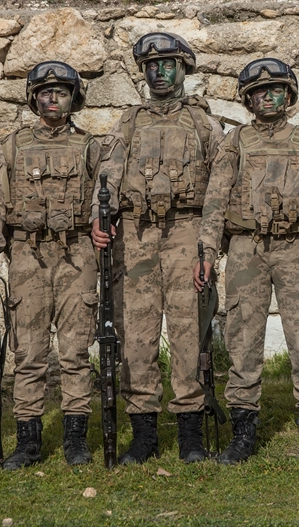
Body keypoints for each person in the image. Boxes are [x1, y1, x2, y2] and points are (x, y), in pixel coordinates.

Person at [91, 33, 223, 464]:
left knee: (189, 333)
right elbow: (108, 175)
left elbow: (220, 188)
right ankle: (143, 432)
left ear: (184, 68)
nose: (159, 73)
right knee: (136, 334)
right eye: (151, 66)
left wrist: (208, 244)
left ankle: (190, 433)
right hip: (136, 234)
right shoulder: (128, 122)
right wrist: (99, 215)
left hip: (185, 230)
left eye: (168, 65)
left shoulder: (204, 124)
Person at [198, 58, 299, 464]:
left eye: (276, 90)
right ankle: (243, 429)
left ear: (289, 95)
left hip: (297, 247)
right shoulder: (235, 142)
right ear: (248, 100)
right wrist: (207, 250)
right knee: (242, 339)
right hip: (246, 248)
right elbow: (215, 199)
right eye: (259, 92)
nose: (268, 96)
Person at [0, 61, 103, 468]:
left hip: (77, 253)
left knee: (75, 351)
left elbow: (107, 198)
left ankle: (76, 441)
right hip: (27, 255)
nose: (53, 98)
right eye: (45, 92)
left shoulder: (90, 147)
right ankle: (28, 443)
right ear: (33, 98)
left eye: (62, 92)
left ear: (74, 99)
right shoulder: (12, 146)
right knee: (28, 353)